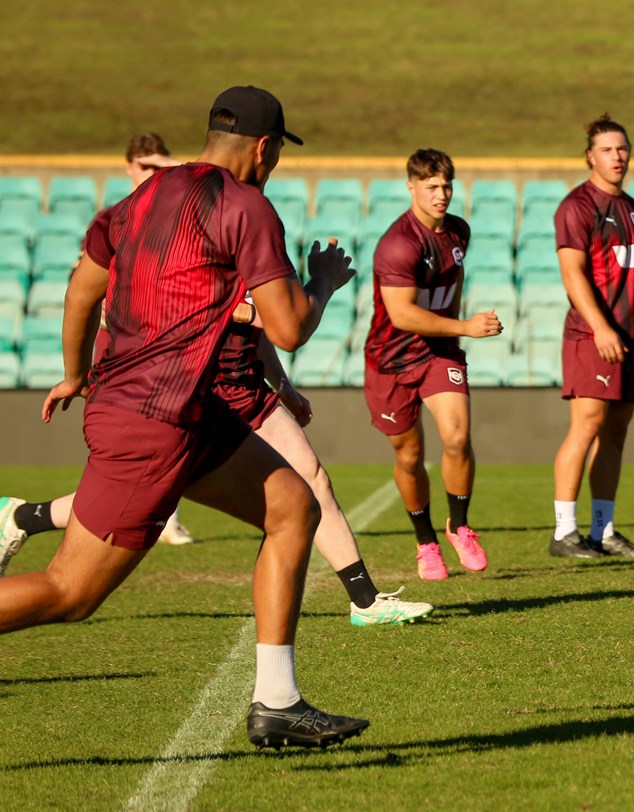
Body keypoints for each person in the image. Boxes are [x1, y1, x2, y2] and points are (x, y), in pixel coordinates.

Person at [0, 86, 369, 748]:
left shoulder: (139, 200)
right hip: (156, 420)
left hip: (181, 413)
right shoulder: (245, 206)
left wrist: (74, 370)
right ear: (265, 147)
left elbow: (83, 286)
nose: (276, 162)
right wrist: (322, 283)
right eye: (279, 150)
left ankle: (277, 702)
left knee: (293, 506)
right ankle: (277, 701)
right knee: (70, 593)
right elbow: (286, 328)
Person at [0, 301, 435, 627]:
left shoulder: (246, 221)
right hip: (200, 390)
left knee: (308, 485)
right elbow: (279, 322)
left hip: (243, 384)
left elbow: (263, 329)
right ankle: (24, 516)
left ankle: (362, 600)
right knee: (82, 581)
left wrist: (281, 383)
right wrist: (319, 286)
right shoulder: (190, 225)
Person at [0, 133, 194, 559]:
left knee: (163, 456)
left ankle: (24, 517)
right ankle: (24, 517)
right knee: (143, 462)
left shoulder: (177, 211)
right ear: (127, 168)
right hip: (123, 346)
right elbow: (83, 287)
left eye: (159, 167)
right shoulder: (116, 218)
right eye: (144, 166)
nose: (153, 174)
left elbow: (203, 180)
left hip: (165, 347)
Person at [364, 148, 501, 580]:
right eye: (431, 186)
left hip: (439, 354)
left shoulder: (458, 230)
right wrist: (465, 326)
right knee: (409, 457)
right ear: (411, 186)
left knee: (457, 437)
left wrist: (457, 334)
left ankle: (460, 526)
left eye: (446, 185)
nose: (441, 194)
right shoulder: (398, 243)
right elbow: (402, 315)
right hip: (392, 358)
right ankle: (426, 543)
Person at [549, 115, 634, 559]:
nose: (617, 156)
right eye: (608, 149)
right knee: (587, 426)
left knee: (615, 434)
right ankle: (563, 532)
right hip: (591, 336)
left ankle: (603, 530)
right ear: (590, 156)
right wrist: (600, 327)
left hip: (629, 336)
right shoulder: (577, 206)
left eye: (623, 148)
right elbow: (572, 273)